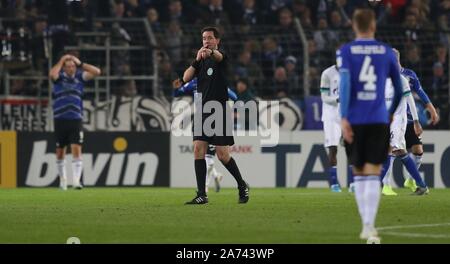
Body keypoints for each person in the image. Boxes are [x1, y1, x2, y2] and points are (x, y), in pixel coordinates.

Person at [337, 9, 403, 241]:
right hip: (378, 119)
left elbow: (344, 84)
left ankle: (365, 224)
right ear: (373, 26)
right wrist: (391, 113)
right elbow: (399, 88)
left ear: (354, 26)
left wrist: (343, 117)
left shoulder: (345, 51)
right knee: (374, 173)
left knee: (359, 172)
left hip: (354, 119)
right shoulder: (385, 52)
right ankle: (370, 226)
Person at [175, 26, 249, 205]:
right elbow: (185, 78)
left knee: (223, 154)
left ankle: (241, 185)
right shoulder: (200, 61)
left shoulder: (221, 58)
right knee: (198, 149)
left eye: (209, 38)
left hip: (219, 109)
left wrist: (211, 52)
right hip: (202, 110)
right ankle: (202, 194)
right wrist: (196, 60)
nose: (206, 41)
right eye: (203, 38)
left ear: (217, 41)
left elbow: (219, 57)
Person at [172, 78, 238, 193]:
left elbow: (233, 96)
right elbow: (177, 93)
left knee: (211, 157)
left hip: (214, 121)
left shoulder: (216, 81)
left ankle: (205, 188)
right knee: (204, 156)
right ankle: (211, 181)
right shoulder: (193, 83)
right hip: (200, 121)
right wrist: (176, 88)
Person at [380, 49, 429, 196]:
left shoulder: (401, 80)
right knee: (398, 151)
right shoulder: (382, 79)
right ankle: (421, 184)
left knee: (393, 149)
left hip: (399, 121)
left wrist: (416, 121)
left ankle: (383, 185)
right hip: (386, 120)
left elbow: (411, 101)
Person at [49, 54, 101, 190]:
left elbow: (97, 72)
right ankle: (63, 181)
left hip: (75, 119)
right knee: (60, 151)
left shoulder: (80, 77)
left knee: (76, 150)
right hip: (60, 119)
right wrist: (61, 59)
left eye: (72, 66)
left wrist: (81, 63)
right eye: (68, 66)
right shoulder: (59, 78)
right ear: (64, 68)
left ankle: (76, 181)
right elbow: (52, 74)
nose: (71, 68)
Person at [401, 63, 440, 191]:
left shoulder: (409, 75)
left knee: (418, 150)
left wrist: (432, 109)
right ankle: (386, 185)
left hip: (410, 119)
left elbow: (420, 92)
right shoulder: (385, 75)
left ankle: (411, 180)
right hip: (395, 120)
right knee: (390, 151)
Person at [319, 64, 355, 193]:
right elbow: (324, 97)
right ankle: (334, 184)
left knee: (351, 148)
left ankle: (352, 184)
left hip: (347, 115)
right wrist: (338, 99)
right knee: (333, 148)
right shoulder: (327, 73)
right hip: (331, 116)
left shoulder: (353, 71)